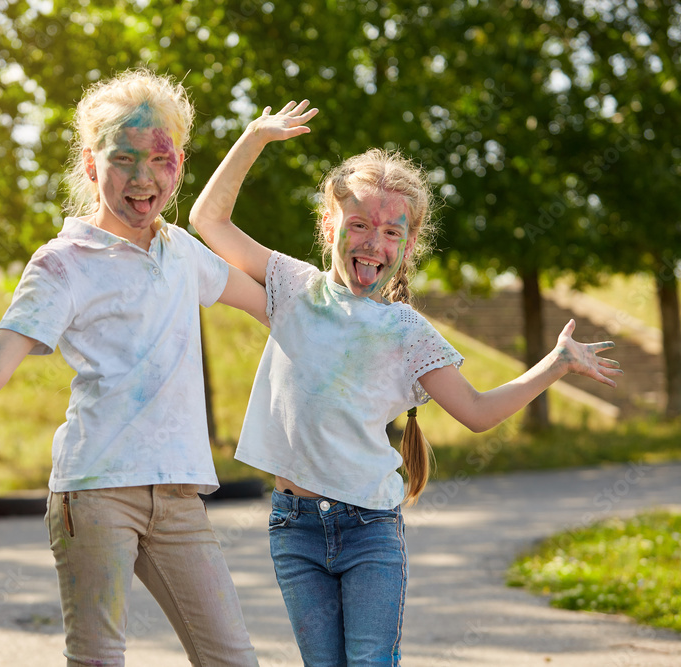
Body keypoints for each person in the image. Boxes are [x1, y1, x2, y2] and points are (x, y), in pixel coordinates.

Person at [0, 70, 266, 667]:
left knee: (233, 658)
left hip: (178, 494)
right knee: (97, 658)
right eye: (123, 159)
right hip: (94, 494)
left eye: (159, 160)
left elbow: (275, 306)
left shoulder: (184, 252)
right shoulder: (64, 263)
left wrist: (360, 315)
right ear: (92, 165)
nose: (143, 178)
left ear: (180, 163)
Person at [189, 100, 623, 667]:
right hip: (293, 528)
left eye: (391, 231)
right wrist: (253, 138)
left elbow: (476, 410)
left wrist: (557, 363)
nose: (374, 243)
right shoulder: (292, 289)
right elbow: (208, 221)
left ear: (408, 245)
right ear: (330, 226)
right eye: (360, 224)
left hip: (370, 530)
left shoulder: (407, 333)